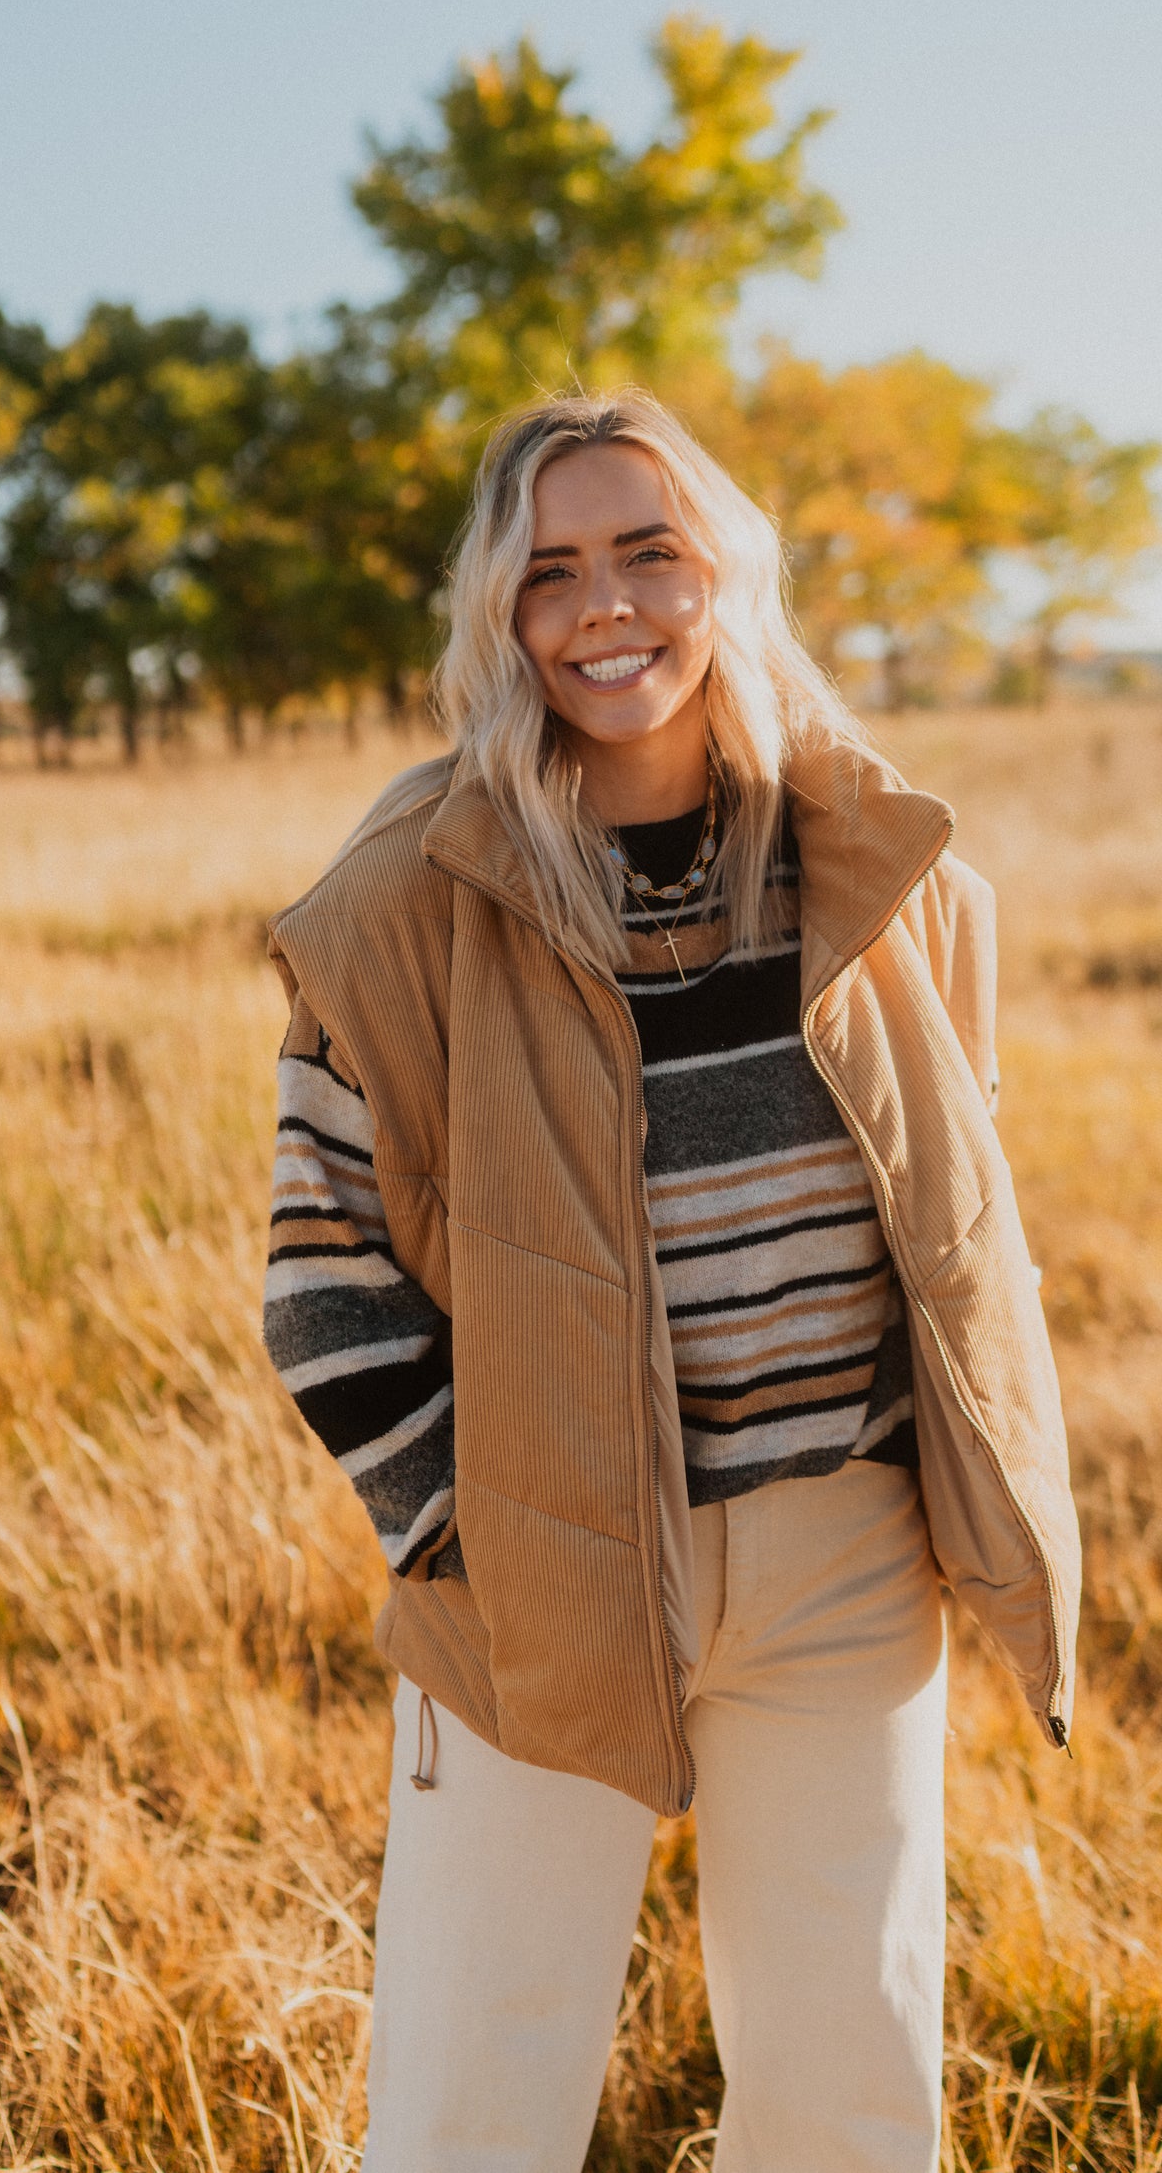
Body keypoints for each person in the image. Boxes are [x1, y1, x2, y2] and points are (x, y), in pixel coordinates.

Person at [261, 390, 1079, 2173]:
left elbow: (952, 1208)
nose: (605, 604)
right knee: (476, 2101)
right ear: (502, 616)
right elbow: (321, 1286)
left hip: (841, 1557)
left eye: (650, 550)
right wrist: (469, 1538)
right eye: (550, 572)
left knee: (850, 2096)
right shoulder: (404, 903)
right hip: (541, 1560)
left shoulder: (884, 860)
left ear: (726, 575)